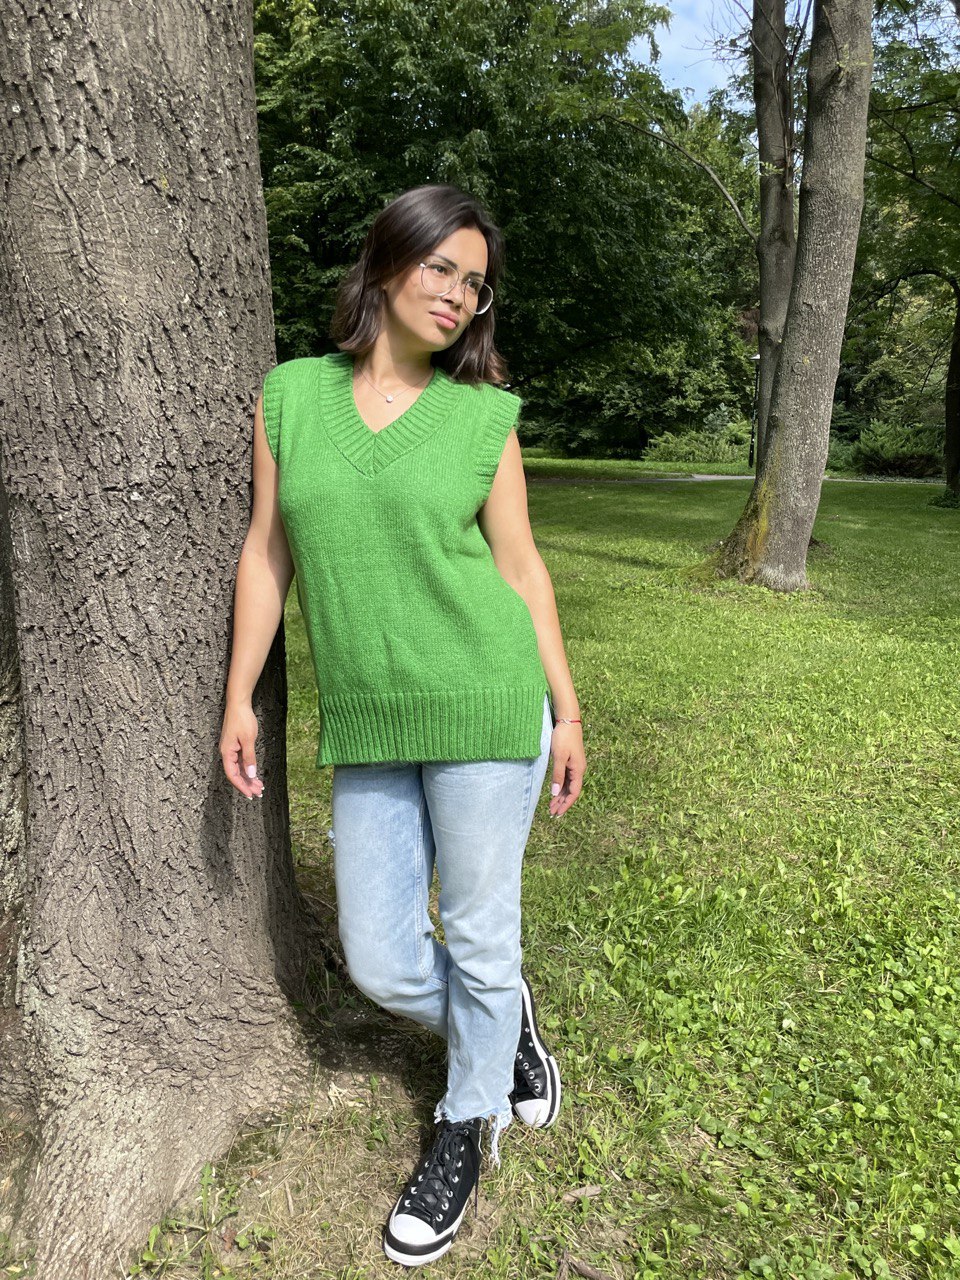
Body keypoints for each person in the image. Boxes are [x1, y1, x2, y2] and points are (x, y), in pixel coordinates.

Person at [220, 183, 586, 1267]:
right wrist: (238, 693)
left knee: (477, 931)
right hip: (370, 717)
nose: (459, 296)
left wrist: (567, 709)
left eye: (476, 284)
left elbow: (521, 570)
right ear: (387, 263)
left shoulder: (483, 417)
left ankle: (465, 1122)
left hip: (486, 701)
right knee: (381, 961)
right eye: (442, 268)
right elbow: (267, 552)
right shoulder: (291, 394)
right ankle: (503, 1021)